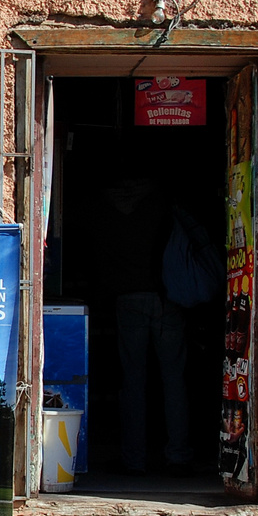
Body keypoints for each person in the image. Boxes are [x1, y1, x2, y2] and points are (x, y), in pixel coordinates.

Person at [95, 167, 192, 475]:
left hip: (128, 297)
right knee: (174, 379)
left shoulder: (104, 206)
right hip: (167, 296)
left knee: (132, 381)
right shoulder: (162, 201)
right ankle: (178, 455)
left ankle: (133, 459)